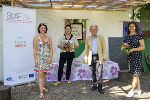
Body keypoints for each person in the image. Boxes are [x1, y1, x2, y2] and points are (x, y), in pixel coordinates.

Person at [123, 21, 145, 97]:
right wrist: (125, 50)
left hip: (137, 56)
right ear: (128, 28)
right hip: (130, 57)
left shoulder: (139, 35)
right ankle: (138, 90)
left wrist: (133, 49)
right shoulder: (126, 37)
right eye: (130, 26)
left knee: (135, 74)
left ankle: (132, 91)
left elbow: (143, 47)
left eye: (133, 26)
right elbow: (125, 46)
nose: (131, 27)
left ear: (135, 27)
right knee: (134, 74)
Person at [84, 25, 107, 94]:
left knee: (100, 72)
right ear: (90, 30)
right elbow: (86, 49)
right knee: (92, 72)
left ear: (97, 30)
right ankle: (94, 85)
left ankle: (100, 87)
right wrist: (86, 58)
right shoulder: (88, 38)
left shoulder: (101, 37)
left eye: (95, 29)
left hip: (99, 57)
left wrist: (104, 56)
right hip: (91, 57)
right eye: (92, 29)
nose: (93, 30)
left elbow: (104, 48)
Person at [33, 23, 53, 98]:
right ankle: (41, 92)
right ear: (39, 29)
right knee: (40, 74)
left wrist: (50, 58)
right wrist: (35, 59)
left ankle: (43, 86)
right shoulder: (36, 37)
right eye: (41, 28)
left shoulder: (49, 37)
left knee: (44, 73)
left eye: (44, 28)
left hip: (47, 58)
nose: (43, 29)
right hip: (40, 59)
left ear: (46, 29)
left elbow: (51, 48)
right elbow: (34, 49)